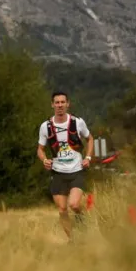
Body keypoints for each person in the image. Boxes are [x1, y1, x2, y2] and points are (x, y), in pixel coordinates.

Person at [37, 90, 93, 240]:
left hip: (76, 170)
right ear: (52, 105)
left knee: (74, 204)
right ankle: (73, 240)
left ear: (68, 104)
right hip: (58, 172)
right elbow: (40, 150)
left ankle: (83, 221)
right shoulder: (45, 127)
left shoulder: (77, 122)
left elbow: (90, 139)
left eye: (63, 102)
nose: (60, 105)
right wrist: (44, 160)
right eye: (57, 102)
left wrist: (88, 157)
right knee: (62, 209)